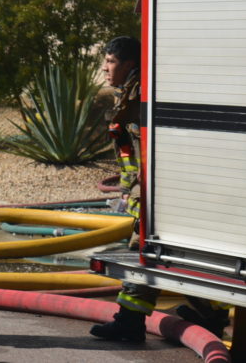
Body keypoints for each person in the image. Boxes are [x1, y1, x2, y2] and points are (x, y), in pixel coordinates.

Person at [90, 36, 229, 342]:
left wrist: (145, 186)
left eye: (111, 61)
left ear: (130, 64)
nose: (104, 68)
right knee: (165, 256)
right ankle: (211, 315)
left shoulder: (143, 94)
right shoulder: (130, 93)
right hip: (150, 191)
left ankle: (130, 323)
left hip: (159, 192)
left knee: (144, 253)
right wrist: (129, 187)